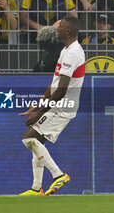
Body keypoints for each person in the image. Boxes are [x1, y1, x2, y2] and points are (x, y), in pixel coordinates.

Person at [19, 16, 85, 196]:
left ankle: (59, 175)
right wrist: (38, 105)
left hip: (64, 105)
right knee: (36, 141)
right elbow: (54, 83)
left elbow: (61, 90)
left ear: (68, 31)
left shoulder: (73, 53)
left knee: (29, 139)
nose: (57, 28)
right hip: (60, 103)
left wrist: (40, 113)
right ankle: (36, 188)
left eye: (60, 26)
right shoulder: (66, 50)